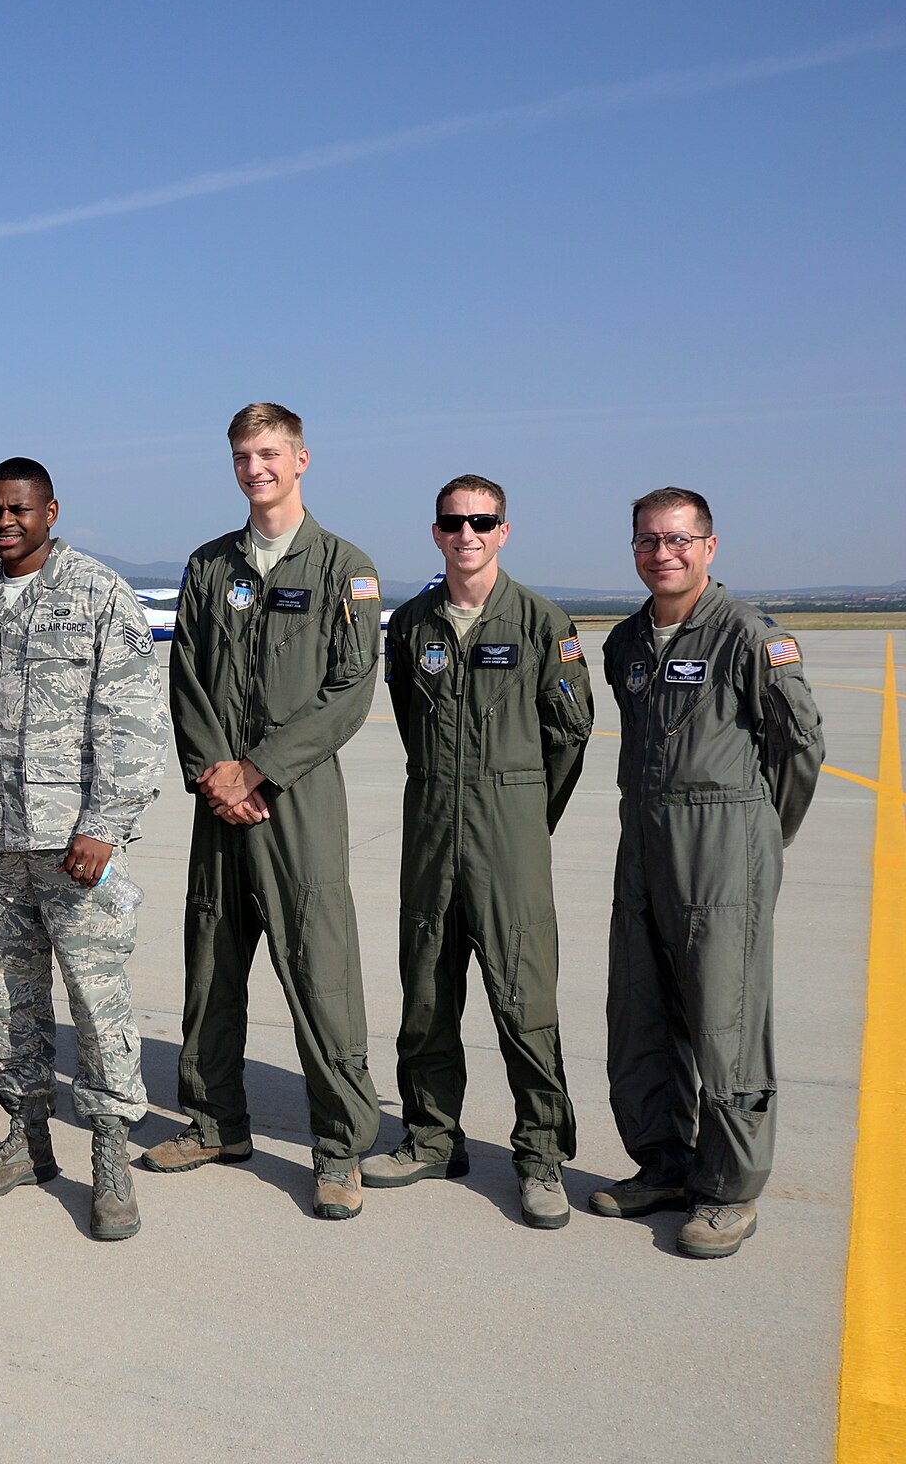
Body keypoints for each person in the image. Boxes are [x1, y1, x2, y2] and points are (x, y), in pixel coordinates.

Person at [0, 459, 167, 1242]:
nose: (3, 521)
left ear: (51, 512)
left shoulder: (98, 594)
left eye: (19, 510)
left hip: (76, 850)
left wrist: (104, 824)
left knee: (98, 1009)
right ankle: (26, 1140)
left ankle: (110, 1161)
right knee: (6, 1002)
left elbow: (134, 721)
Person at [160, 403, 384, 1220]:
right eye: (243, 456)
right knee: (212, 961)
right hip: (218, 797)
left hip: (297, 796)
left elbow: (349, 691)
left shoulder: (344, 568)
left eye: (269, 454)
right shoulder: (210, 565)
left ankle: (339, 1147)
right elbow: (186, 676)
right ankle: (215, 1120)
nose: (256, 468)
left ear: (301, 460)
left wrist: (260, 768)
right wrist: (214, 773)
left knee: (320, 971)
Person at [593, 487, 822, 1258]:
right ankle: (664, 1163)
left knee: (726, 1020)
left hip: (724, 843)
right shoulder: (625, 641)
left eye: (681, 540)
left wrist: (757, 841)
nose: (666, 553)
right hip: (645, 841)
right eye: (650, 541)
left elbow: (799, 750)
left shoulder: (750, 636)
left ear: (710, 546)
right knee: (641, 1010)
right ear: (634, 551)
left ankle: (728, 1192)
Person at [360, 475, 592, 1228]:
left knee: (524, 998)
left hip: (508, 830)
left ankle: (541, 1155)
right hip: (430, 823)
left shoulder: (539, 619)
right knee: (426, 988)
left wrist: (522, 811)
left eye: (481, 521)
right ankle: (430, 1135)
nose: (467, 534)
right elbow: (406, 714)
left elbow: (569, 733)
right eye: (453, 522)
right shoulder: (415, 624)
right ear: (435, 532)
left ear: (503, 530)